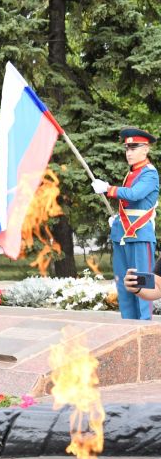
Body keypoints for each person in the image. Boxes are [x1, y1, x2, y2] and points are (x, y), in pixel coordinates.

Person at [92, 128, 159, 320]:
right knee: (124, 284)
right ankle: (128, 325)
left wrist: (107, 188)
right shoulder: (130, 173)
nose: (128, 152)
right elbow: (129, 205)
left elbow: (134, 195)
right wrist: (117, 221)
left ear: (145, 150)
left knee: (142, 285)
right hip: (122, 235)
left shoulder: (149, 174)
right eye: (127, 148)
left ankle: (144, 328)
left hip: (140, 236)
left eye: (134, 148)